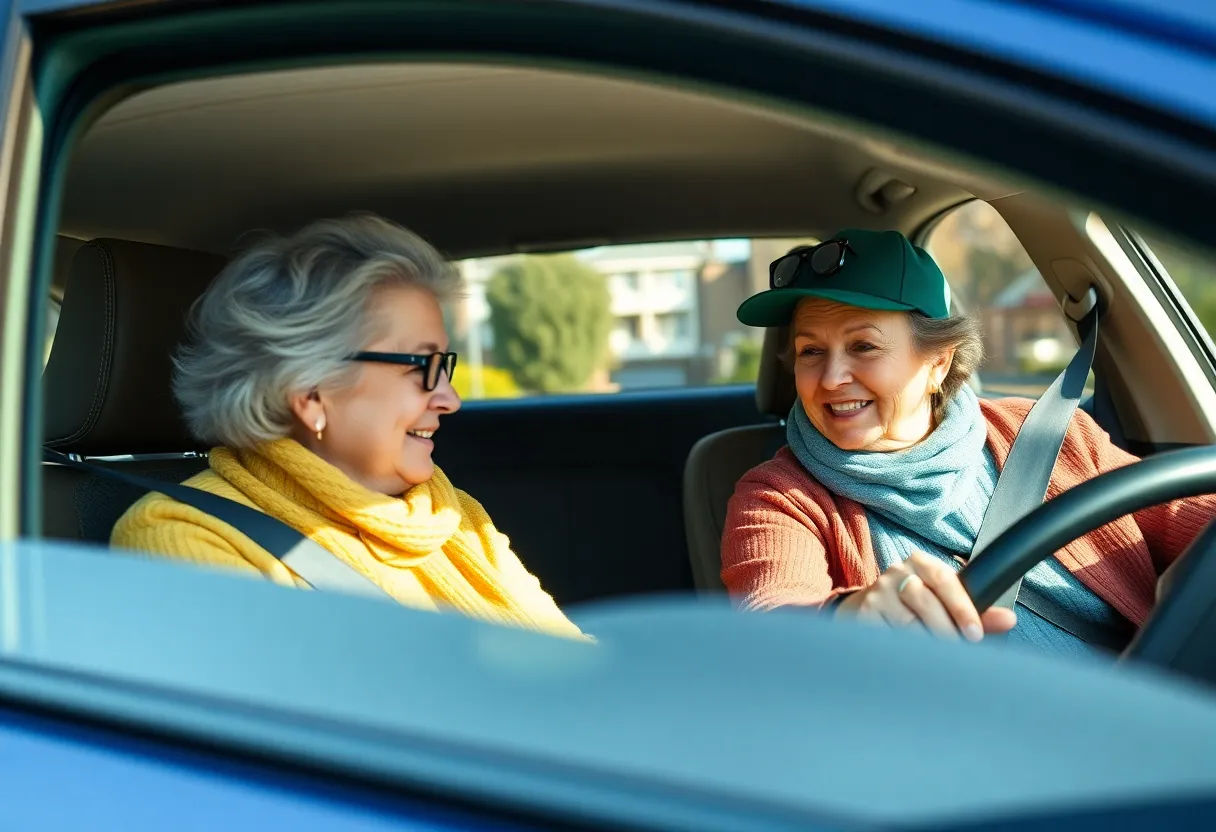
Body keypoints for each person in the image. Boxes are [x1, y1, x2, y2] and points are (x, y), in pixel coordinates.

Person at [721, 229, 1216, 656]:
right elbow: (772, 624)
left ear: (937, 361)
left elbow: (1181, 515)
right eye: (811, 351)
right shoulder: (776, 497)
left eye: (863, 346)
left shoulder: (1044, 434)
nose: (831, 378)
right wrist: (853, 616)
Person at [113, 214, 582, 640]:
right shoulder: (183, 540)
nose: (449, 399)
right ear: (310, 391)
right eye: (422, 365)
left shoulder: (448, 514)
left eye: (446, 364)